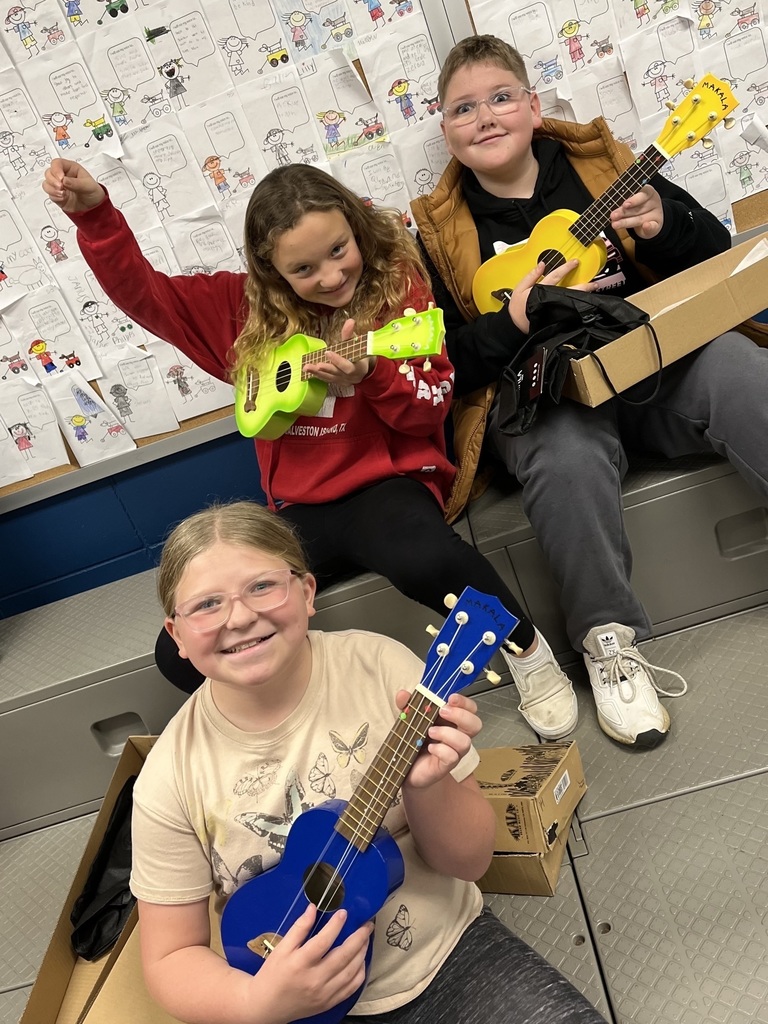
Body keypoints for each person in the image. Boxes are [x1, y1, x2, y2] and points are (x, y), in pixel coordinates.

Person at [42, 158, 579, 740]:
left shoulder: (397, 290)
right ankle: (295, 715)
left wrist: (373, 373)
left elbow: (431, 406)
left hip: (387, 487)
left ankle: (528, 654)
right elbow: (144, 294)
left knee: (428, 560)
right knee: (180, 654)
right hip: (296, 513)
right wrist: (95, 215)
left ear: (355, 227)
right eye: (302, 268)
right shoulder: (238, 311)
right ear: (269, 270)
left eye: (339, 250)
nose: (329, 276)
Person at [411, 33, 768, 749]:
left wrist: (665, 227)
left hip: (653, 368)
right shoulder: (438, 232)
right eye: (462, 109)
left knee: (735, 365)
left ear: (535, 107)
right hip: (544, 400)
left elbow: (711, 261)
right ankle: (611, 644)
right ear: (445, 131)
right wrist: (511, 323)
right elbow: (447, 360)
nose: (484, 117)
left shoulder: (604, 167)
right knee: (562, 452)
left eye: (501, 97)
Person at [130, 499, 605, 1024]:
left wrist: (429, 787)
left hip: (447, 957)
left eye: (262, 585)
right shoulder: (168, 776)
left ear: (307, 593)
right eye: (206, 605)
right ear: (176, 637)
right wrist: (254, 1003)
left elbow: (470, 863)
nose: (240, 617)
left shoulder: (386, 671)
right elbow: (170, 956)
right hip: (279, 997)